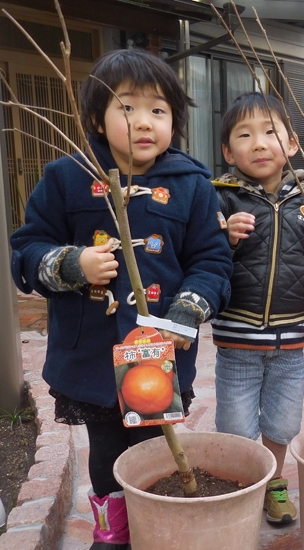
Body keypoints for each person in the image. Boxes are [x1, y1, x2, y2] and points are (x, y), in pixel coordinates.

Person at [10, 49, 233, 550]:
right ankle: (113, 535)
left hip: (162, 352)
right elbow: (25, 251)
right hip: (90, 354)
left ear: (174, 120)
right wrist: (72, 264)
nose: (144, 122)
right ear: (96, 118)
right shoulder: (66, 177)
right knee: (107, 447)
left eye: (159, 110)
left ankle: (154, 530)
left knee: (154, 448)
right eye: (127, 107)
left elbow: (213, 262)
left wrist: (186, 312)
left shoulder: (193, 186)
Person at [212, 91, 304, 524]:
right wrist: (224, 237)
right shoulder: (223, 200)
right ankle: (240, 486)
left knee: (284, 423)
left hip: (291, 344)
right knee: (235, 426)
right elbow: (204, 260)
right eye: (245, 135)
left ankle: (274, 484)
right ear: (229, 152)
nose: (259, 142)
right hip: (237, 344)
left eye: (270, 132)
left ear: (290, 144)